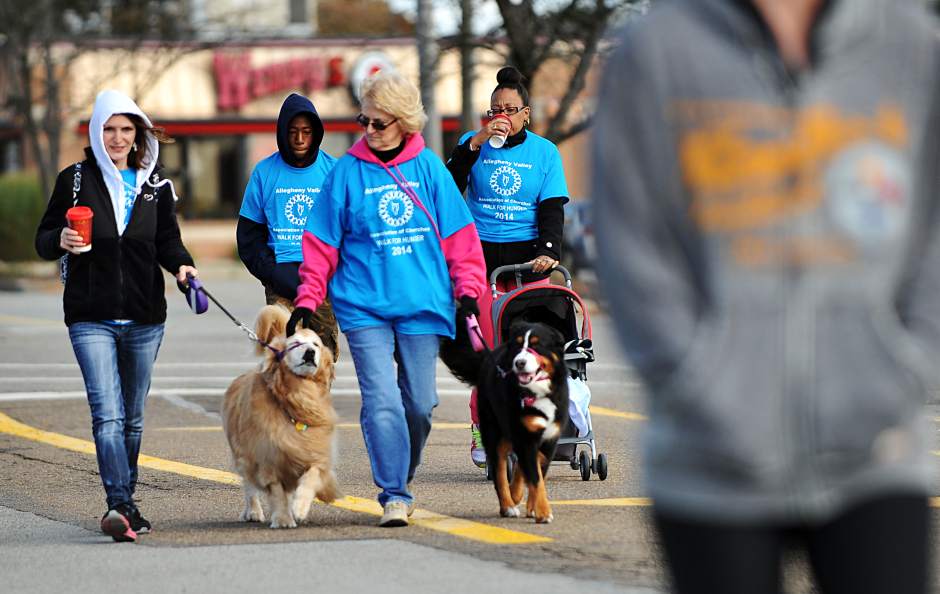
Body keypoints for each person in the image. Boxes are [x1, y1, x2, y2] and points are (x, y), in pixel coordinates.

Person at [592, 1, 938, 593]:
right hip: (709, 461)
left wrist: (905, 369)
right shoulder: (658, 51)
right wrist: (698, 383)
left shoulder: (908, 44)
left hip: (877, 451)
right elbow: (636, 248)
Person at [287, 71, 486, 527]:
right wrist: (307, 296)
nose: (369, 131)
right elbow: (320, 242)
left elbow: (460, 237)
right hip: (364, 306)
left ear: (404, 122)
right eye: (365, 120)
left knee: (420, 404)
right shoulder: (346, 173)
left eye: (379, 123)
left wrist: (469, 290)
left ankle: (403, 469)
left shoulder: (429, 168)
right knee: (381, 401)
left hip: (422, 303)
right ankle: (394, 492)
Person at [35, 90, 199, 543]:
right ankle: (119, 502)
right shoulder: (75, 179)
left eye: (127, 130)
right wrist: (60, 240)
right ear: (96, 131)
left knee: (132, 417)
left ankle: (125, 503)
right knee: (107, 415)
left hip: (146, 316)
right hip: (91, 314)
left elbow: (168, 241)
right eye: (110, 128)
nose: (118, 138)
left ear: (139, 134)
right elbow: (43, 237)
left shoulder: (155, 185)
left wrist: (184, 266)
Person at [446, 66, 569, 467]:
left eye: (510, 109)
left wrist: (549, 250)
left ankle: (533, 422)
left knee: (523, 347)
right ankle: (482, 427)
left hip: (527, 256)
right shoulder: (473, 143)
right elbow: (449, 187)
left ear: (526, 114)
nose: (501, 116)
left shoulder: (544, 152)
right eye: (494, 109)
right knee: (487, 349)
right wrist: (475, 143)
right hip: (480, 254)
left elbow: (552, 209)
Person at [237, 93, 340, 359]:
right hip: (280, 277)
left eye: (306, 131)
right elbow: (249, 237)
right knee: (284, 356)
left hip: (322, 281)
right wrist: (271, 272)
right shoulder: (264, 173)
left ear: (316, 133)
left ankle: (314, 401)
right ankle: (283, 402)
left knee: (322, 356)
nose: (299, 139)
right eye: (293, 131)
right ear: (282, 132)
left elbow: (349, 230)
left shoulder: (334, 171)